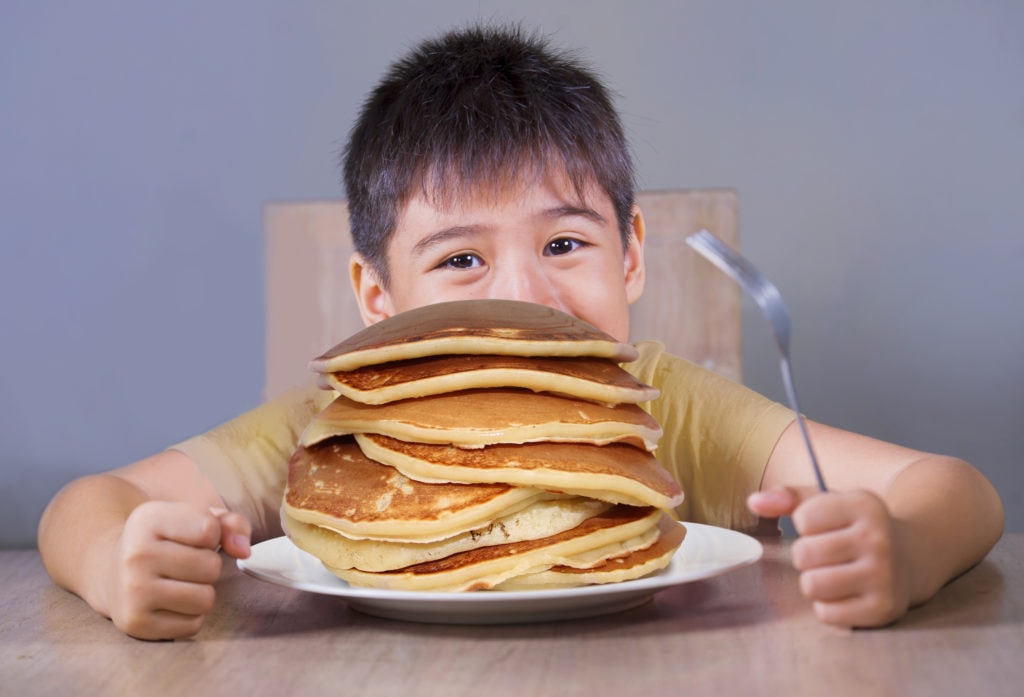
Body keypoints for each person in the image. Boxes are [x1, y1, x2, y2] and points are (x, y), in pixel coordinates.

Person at [38, 23, 1004, 641]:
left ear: (631, 255)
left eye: (565, 241)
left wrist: (905, 553)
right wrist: (118, 562)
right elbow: (87, 503)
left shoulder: (671, 406)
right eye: (462, 259)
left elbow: (952, 489)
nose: (520, 296)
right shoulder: (332, 424)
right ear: (377, 297)